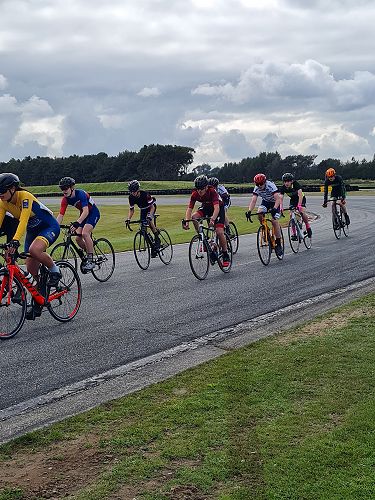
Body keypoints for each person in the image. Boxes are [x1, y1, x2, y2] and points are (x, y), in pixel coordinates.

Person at [0, 172, 61, 317]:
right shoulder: (2, 202)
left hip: (49, 227)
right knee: (31, 269)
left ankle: (54, 270)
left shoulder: (24, 197)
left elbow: (23, 221)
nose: (0, 194)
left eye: (2, 191)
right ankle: (39, 299)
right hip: (33, 232)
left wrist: (15, 240)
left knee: (34, 250)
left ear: (13, 188)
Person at [183, 175, 230, 267]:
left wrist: (212, 220)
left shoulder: (212, 192)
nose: (199, 191)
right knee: (194, 217)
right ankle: (202, 238)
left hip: (218, 209)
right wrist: (187, 221)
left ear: (206, 187)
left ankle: (225, 254)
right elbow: (189, 209)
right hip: (206, 207)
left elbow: (216, 208)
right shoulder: (195, 194)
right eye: (197, 189)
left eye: (201, 189)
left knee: (219, 232)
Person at [57, 177, 101, 271]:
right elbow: (61, 215)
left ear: (72, 187)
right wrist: (55, 226)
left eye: (66, 188)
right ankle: (89, 250)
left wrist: (77, 222)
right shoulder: (65, 199)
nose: (64, 191)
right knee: (78, 238)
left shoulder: (80, 193)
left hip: (92, 212)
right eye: (62, 189)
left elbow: (86, 211)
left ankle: (91, 259)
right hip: (84, 214)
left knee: (85, 233)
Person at [247, 173, 283, 257]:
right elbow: (253, 200)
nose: (259, 186)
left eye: (261, 184)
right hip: (266, 202)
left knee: (274, 221)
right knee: (259, 212)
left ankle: (278, 243)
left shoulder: (271, 186)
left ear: (265, 182)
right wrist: (249, 211)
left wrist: (274, 209)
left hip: (275, 202)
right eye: (257, 184)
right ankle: (265, 229)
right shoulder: (257, 188)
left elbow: (278, 199)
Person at [125, 180, 160, 257]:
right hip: (143, 210)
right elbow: (131, 210)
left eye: (134, 191)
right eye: (131, 191)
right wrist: (128, 219)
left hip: (150, 208)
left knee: (149, 222)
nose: (132, 193)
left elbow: (152, 207)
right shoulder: (131, 197)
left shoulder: (145, 194)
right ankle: (152, 245)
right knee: (143, 229)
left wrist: (150, 216)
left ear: (138, 190)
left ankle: (157, 238)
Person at [279, 172, 312, 239]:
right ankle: (294, 234)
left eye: (288, 181)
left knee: (302, 212)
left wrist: (299, 205)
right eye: (285, 181)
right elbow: (281, 198)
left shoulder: (296, 184)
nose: (286, 183)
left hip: (301, 199)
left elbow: (300, 194)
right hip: (293, 200)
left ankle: (308, 227)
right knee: (291, 215)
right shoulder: (283, 188)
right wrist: (281, 207)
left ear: (292, 181)